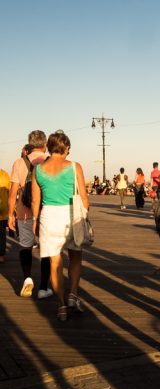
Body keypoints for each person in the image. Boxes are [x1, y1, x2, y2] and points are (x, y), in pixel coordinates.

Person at [31, 131, 89, 322]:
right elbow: (84, 199)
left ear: (48, 147)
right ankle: (73, 294)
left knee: (55, 263)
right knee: (75, 256)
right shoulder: (74, 166)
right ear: (66, 148)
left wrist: (34, 222)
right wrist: (85, 216)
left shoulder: (38, 170)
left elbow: (35, 201)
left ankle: (61, 306)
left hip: (48, 216)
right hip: (71, 215)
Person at [7, 133, 52, 298]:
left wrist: (10, 215)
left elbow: (12, 193)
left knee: (25, 246)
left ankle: (27, 278)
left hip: (24, 213)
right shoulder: (49, 161)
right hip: (45, 213)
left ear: (30, 144)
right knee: (46, 248)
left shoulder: (19, 162)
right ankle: (43, 288)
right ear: (45, 144)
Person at [0, 166, 10, 263]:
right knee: (2, 233)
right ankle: (1, 256)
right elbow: (9, 191)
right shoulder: (5, 175)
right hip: (3, 208)